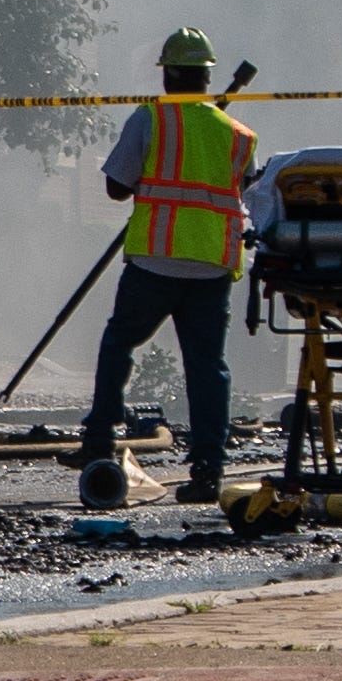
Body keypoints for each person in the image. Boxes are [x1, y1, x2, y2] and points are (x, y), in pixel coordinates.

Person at [77, 28, 253, 506]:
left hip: (156, 260)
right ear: (208, 74)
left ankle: (99, 436)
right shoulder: (236, 135)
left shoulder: (150, 119)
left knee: (120, 341)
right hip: (211, 269)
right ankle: (208, 470)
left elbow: (117, 186)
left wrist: (150, 183)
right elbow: (241, 192)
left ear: (171, 72)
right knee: (207, 368)